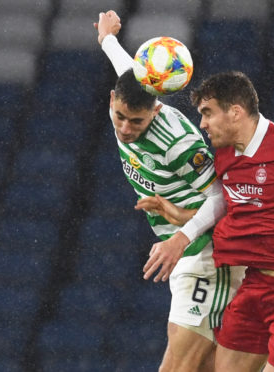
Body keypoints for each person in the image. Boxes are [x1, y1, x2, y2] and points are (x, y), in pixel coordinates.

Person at [144, 71, 274, 371]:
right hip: (254, 288)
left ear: (235, 112)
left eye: (208, 113)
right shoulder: (225, 157)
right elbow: (235, 216)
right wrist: (183, 223)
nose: (202, 124)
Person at [94, 12, 245, 372]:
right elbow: (126, 68)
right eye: (120, 117)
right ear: (112, 99)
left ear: (156, 109)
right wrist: (107, 39)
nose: (126, 129)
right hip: (186, 255)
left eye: (137, 122)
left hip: (208, 255)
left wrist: (181, 237)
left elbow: (224, 197)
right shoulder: (128, 95)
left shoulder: (177, 142)